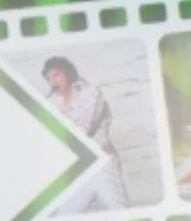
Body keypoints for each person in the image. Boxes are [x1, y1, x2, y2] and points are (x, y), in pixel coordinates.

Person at [43, 57, 129, 212]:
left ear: (67, 73)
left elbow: (84, 128)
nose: (53, 81)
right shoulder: (53, 101)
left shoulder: (90, 93)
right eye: (49, 77)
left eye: (56, 75)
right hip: (79, 167)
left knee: (120, 209)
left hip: (102, 163)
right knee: (65, 214)